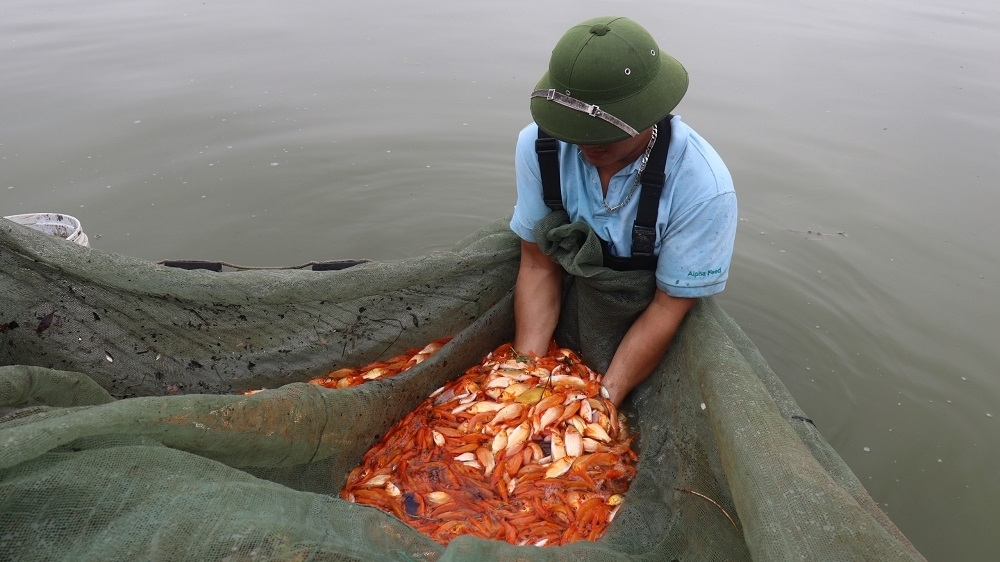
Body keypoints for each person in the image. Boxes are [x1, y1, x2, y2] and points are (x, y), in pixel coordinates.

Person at [509, 16, 738, 406]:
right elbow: (537, 265)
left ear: (650, 111)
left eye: (600, 134)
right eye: (573, 130)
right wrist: (524, 378)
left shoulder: (704, 188)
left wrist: (601, 402)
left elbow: (668, 306)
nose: (585, 145)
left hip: (652, 307)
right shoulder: (538, 144)